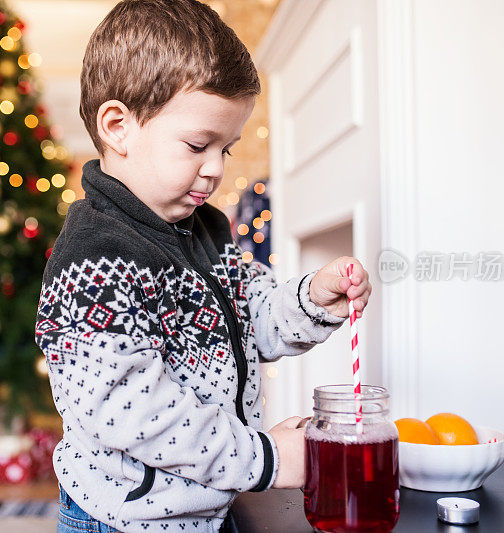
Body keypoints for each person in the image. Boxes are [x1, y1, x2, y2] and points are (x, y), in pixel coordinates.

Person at [34, 1, 372, 532]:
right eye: (197, 145)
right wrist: (268, 458)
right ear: (118, 127)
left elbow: (251, 316)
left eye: (226, 149)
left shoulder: (206, 230)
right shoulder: (95, 261)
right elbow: (136, 414)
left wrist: (310, 300)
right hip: (128, 521)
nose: (214, 169)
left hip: (209, 503)